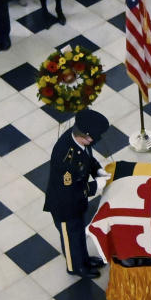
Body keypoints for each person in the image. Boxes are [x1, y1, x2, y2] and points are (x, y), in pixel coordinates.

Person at [43, 109, 110, 279]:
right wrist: (95, 186)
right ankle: (76, 267)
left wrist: (97, 171)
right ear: (86, 136)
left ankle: (84, 259)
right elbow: (69, 190)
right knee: (71, 237)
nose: (94, 140)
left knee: (78, 233)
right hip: (64, 205)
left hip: (76, 202)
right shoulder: (65, 156)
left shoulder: (79, 141)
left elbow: (88, 159)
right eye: (93, 137)